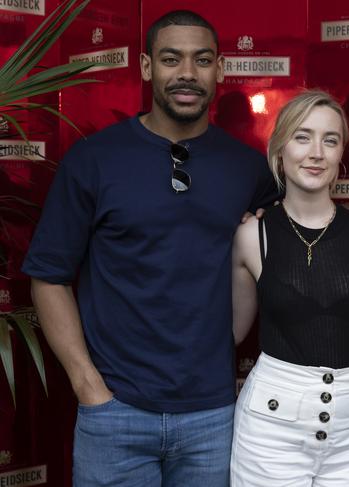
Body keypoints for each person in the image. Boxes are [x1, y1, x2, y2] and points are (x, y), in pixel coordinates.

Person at [21, 10, 277, 487]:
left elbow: (281, 259)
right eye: (170, 59)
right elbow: (49, 275)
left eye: (202, 60)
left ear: (220, 69)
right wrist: (88, 386)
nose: (187, 73)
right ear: (145, 67)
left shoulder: (248, 169)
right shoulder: (94, 159)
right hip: (114, 413)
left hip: (213, 415)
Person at [230, 90, 349, 487]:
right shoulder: (252, 236)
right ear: (280, 150)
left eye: (330, 140)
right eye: (302, 137)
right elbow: (231, 333)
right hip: (271, 429)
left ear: (341, 155)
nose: (316, 152)